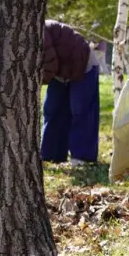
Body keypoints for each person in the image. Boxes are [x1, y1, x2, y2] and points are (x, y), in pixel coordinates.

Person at [41, 20, 100, 165]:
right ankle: (51, 155)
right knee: (52, 110)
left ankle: (82, 157)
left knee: (80, 110)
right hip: (61, 71)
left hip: (83, 64)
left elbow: (49, 63)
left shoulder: (39, 32)